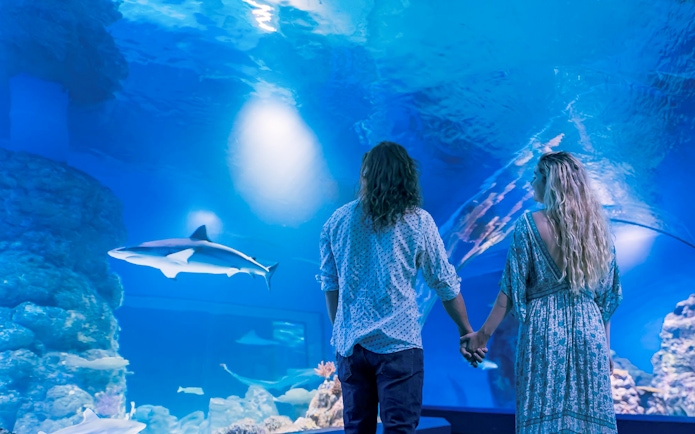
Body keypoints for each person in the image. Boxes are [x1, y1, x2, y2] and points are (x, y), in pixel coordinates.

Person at [317, 141, 484, 434]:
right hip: (399, 345)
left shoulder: (336, 222)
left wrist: (342, 330)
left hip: (351, 348)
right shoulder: (418, 222)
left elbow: (330, 285)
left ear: (365, 175)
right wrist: (466, 330)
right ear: (404, 176)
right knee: (400, 430)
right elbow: (444, 282)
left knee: (356, 430)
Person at [461, 151, 622, 433]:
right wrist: (605, 349)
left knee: (543, 419)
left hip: (544, 330)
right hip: (590, 332)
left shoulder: (529, 224)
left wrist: (481, 336)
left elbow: (509, 291)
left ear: (551, 182)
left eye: (536, 175)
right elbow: (605, 301)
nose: (531, 182)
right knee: (589, 422)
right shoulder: (599, 230)